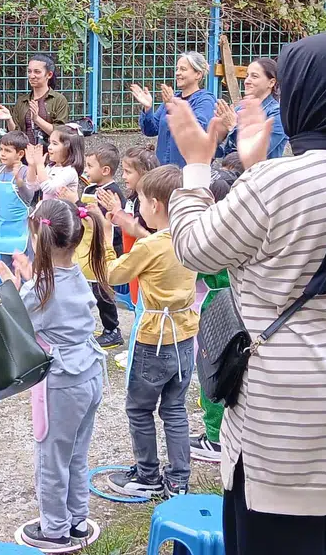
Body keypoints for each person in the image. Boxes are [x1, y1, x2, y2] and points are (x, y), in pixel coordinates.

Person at [165, 32, 326, 555]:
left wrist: (196, 166)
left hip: (288, 420)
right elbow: (302, 238)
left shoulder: (280, 182)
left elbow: (194, 248)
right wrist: (256, 169)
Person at [0, 200, 109, 549]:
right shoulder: (76, 274)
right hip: (90, 372)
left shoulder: (39, 289)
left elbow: (15, 323)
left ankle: (55, 530)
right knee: (76, 454)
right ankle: (77, 521)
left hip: (62, 383)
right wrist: (29, 278)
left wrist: (11, 285)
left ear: (38, 238)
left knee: (51, 460)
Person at [93, 165, 199, 498]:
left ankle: (148, 475)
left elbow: (113, 274)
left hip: (154, 338)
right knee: (175, 409)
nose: (138, 208)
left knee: (139, 409)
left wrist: (106, 237)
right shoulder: (191, 238)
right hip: (184, 336)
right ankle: (178, 480)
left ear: (155, 204)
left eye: (139, 201)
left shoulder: (149, 246)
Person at [188, 167, 239, 465]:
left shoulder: (213, 239)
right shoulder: (242, 230)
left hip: (213, 311)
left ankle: (214, 438)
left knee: (212, 373)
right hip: (237, 308)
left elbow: (193, 264)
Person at [76, 141, 125, 349]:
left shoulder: (111, 193)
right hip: (88, 246)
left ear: (105, 170)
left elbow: (110, 223)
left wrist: (77, 203)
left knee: (103, 292)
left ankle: (112, 330)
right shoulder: (91, 188)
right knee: (90, 289)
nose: (86, 170)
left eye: (90, 166)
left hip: (106, 248)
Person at [131, 51, 217, 167]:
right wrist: (148, 108)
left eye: (183, 69)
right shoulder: (173, 97)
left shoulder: (205, 100)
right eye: (177, 69)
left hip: (187, 171)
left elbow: (196, 132)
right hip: (163, 171)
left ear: (198, 74)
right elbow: (151, 129)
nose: (177, 73)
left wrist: (173, 107)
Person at [96, 144, 157, 308]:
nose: (123, 176)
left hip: (145, 268)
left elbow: (142, 230)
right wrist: (116, 214)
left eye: (128, 172)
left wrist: (119, 213)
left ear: (144, 173)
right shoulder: (134, 198)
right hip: (134, 265)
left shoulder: (148, 205)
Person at [0, 131, 36, 274]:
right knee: (6, 268)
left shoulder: (26, 171)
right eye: (1, 149)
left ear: (20, 154)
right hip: (3, 227)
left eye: (7, 151)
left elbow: (28, 198)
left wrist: (19, 181)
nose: (2, 154)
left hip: (22, 227)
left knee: (24, 268)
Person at [216, 59, 287, 161]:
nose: (247, 81)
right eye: (247, 76)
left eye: (254, 76)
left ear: (271, 82)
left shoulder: (278, 114)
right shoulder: (239, 109)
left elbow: (258, 152)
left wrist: (233, 126)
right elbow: (222, 152)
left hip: (260, 170)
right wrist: (218, 132)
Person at [0, 55, 71, 145]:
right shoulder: (22, 100)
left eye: (37, 72)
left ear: (49, 75)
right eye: (29, 71)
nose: (32, 76)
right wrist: (9, 119)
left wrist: (37, 119)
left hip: (49, 151)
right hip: (25, 150)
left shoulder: (59, 100)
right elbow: (16, 134)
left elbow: (60, 133)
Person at [26, 125, 84, 202]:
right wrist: (31, 165)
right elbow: (32, 186)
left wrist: (40, 165)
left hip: (60, 209)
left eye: (55, 144)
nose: (49, 147)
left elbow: (49, 188)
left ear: (69, 149)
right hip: (48, 208)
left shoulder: (70, 171)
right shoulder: (51, 167)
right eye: (50, 143)